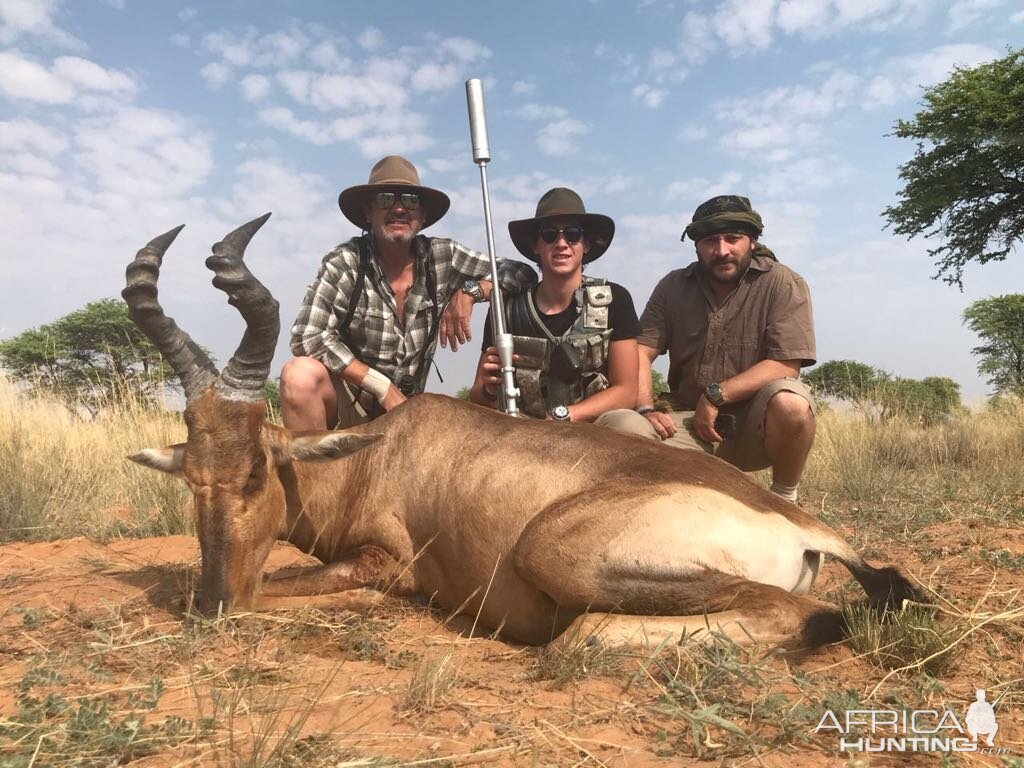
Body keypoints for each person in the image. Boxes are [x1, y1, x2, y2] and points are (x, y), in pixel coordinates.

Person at [283, 155, 536, 429]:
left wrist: (471, 291)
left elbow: (521, 273)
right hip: (352, 409)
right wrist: (381, 387)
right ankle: (314, 471)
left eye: (410, 200)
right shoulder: (346, 261)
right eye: (386, 199)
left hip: (409, 411)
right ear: (368, 212)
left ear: (423, 215)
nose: (399, 209)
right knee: (299, 376)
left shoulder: (443, 256)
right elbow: (307, 335)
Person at [627, 195, 817, 502]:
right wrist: (646, 408)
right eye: (710, 241)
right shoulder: (672, 286)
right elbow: (640, 351)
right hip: (688, 424)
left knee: (791, 404)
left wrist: (715, 395)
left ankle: (784, 498)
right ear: (696, 246)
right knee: (624, 425)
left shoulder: (782, 282)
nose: (722, 251)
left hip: (754, 430)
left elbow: (786, 364)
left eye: (733, 239)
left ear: (752, 241)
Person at [469, 187, 648, 431]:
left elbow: (626, 391)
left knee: (632, 426)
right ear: (536, 246)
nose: (562, 243)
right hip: (526, 429)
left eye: (573, 234)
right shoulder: (506, 311)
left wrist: (563, 417)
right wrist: (489, 389)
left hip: (597, 427)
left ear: (585, 245)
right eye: (550, 234)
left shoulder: (615, 299)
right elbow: (477, 398)